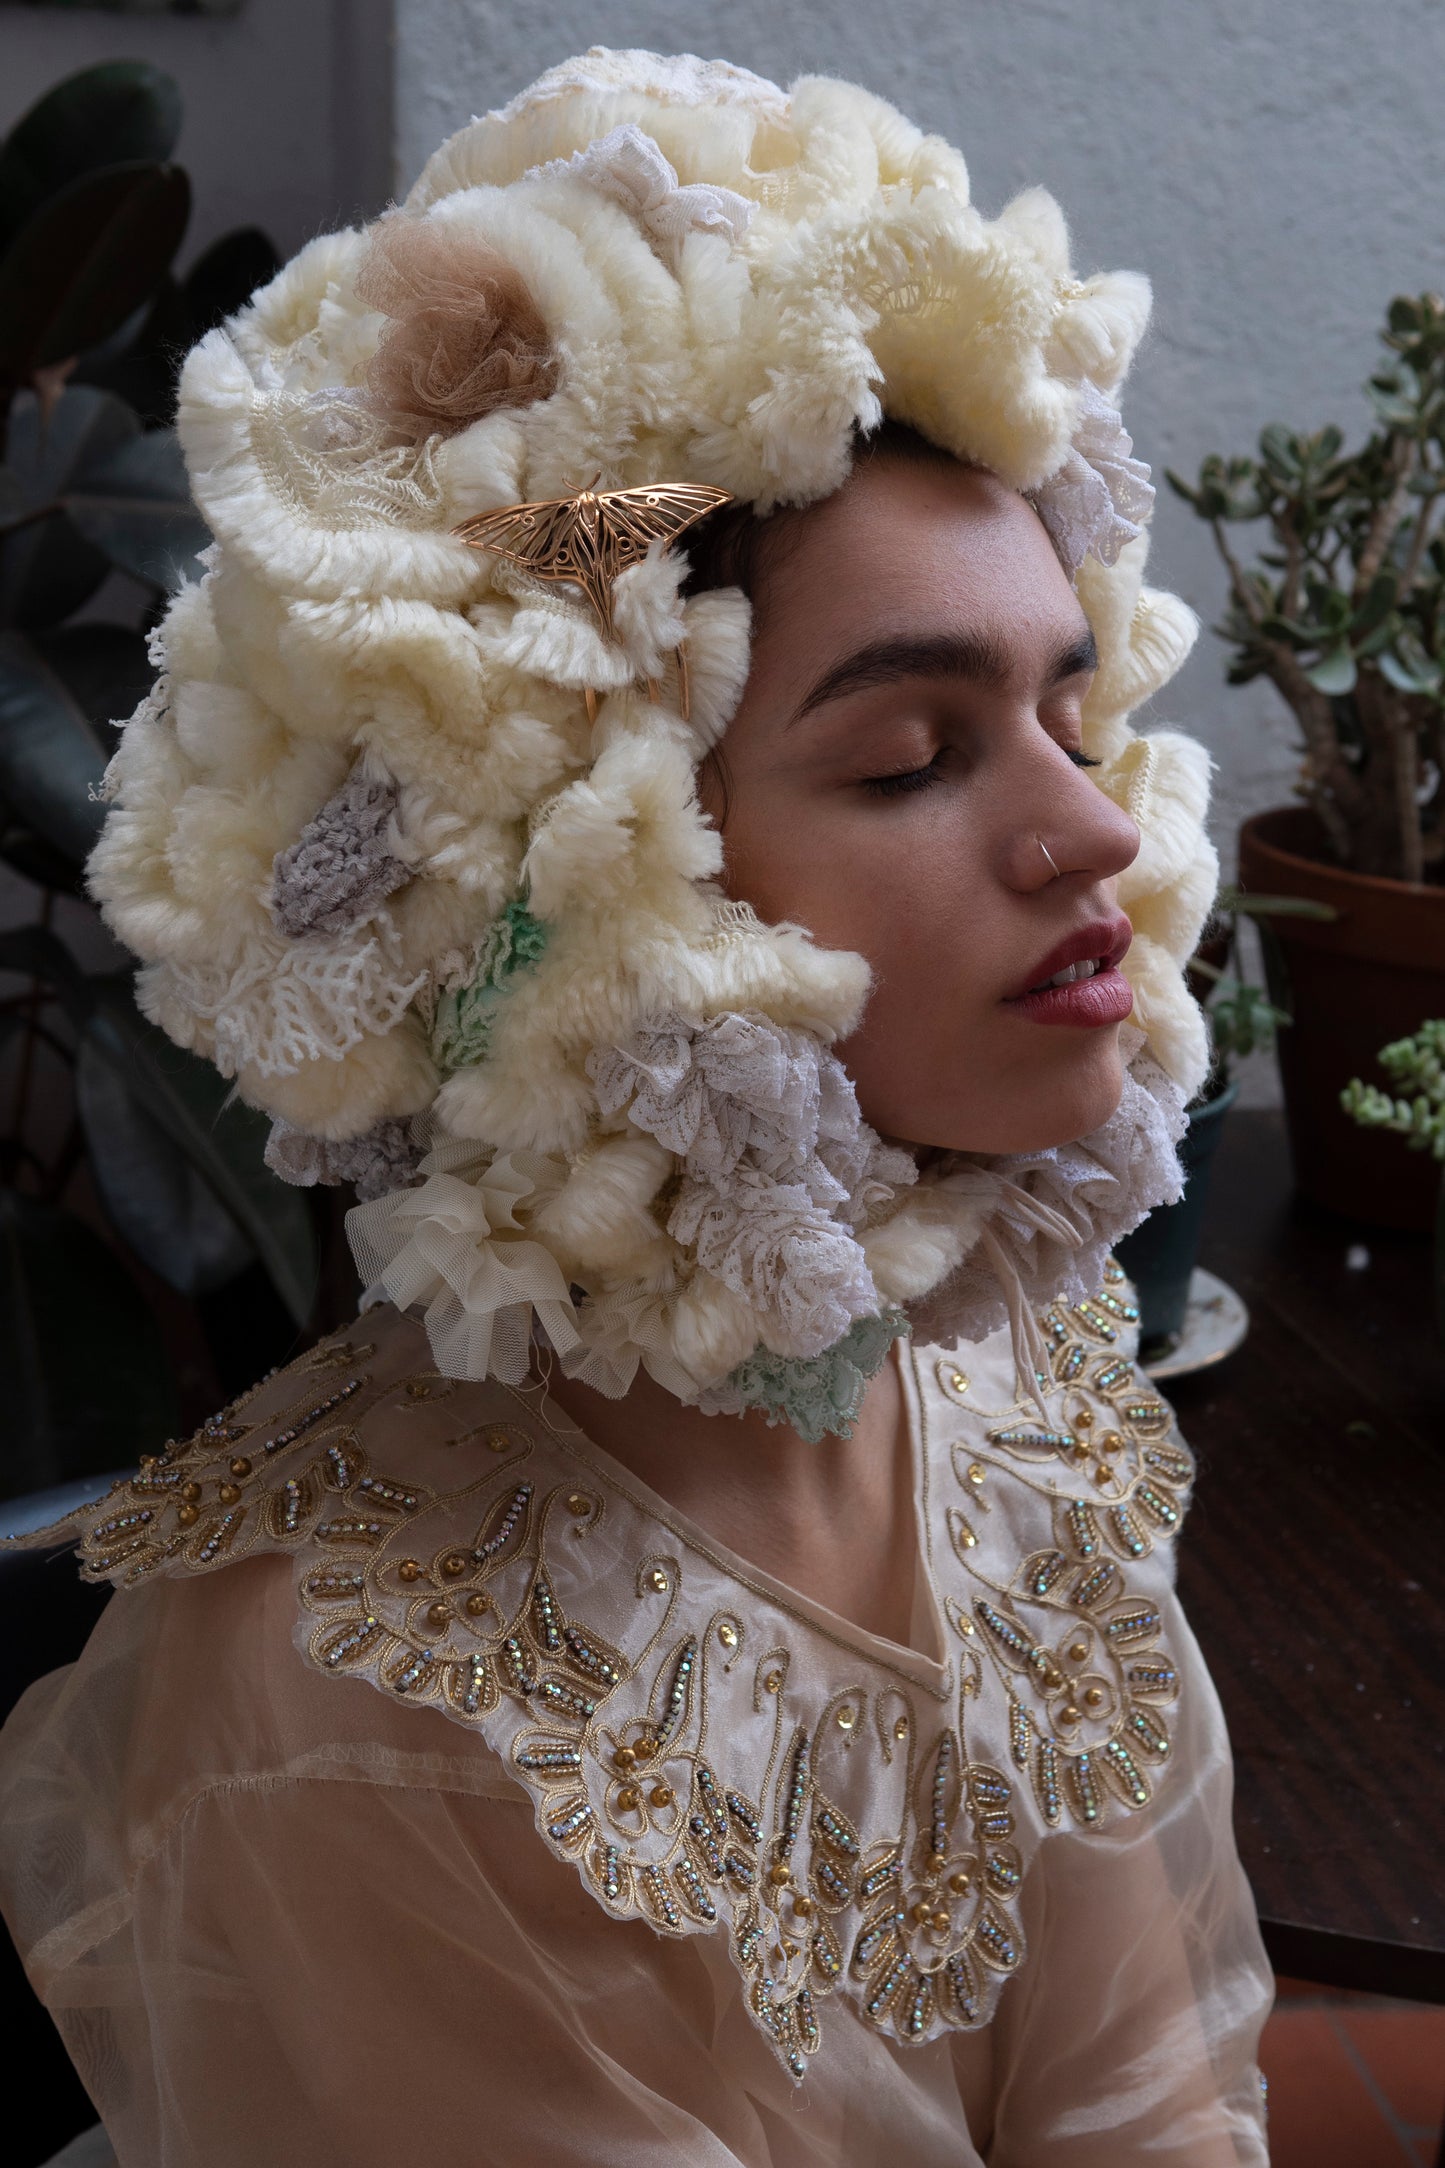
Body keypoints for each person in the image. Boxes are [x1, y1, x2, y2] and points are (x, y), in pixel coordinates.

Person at [0, 47, 1273, 2166]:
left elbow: (1149, 2107)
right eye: (909, 757)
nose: (1094, 834)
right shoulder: (347, 1696)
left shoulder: (1011, 1394)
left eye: (1068, 709)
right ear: (567, 888)